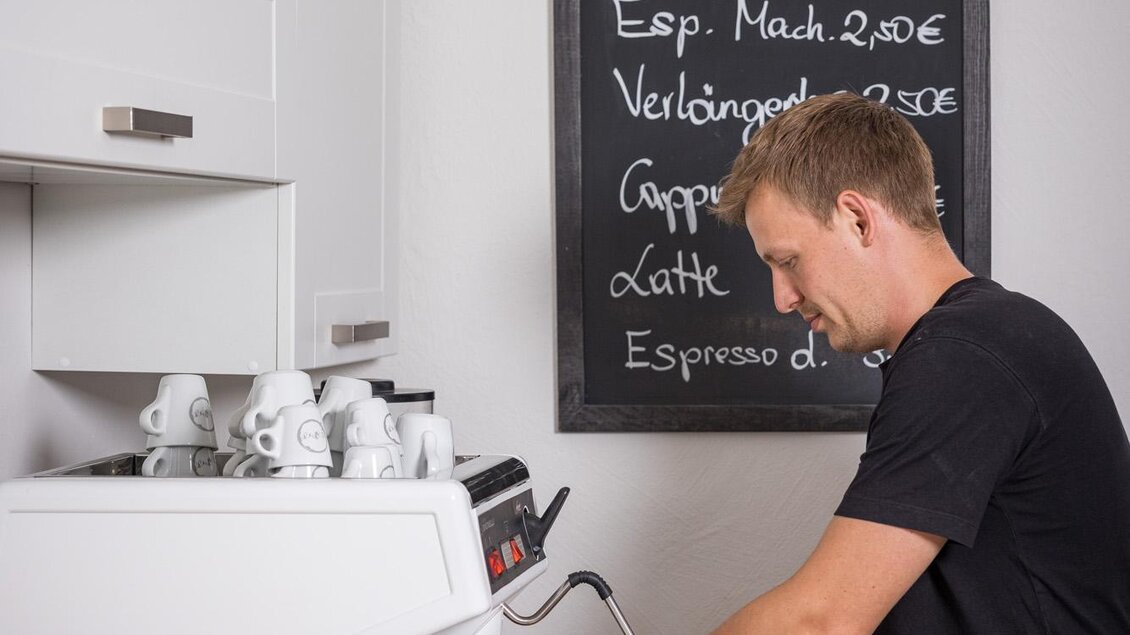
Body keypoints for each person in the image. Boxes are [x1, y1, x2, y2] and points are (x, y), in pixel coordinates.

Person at [708, 92, 1130, 634]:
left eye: (789, 261)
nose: (782, 298)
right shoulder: (980, 340)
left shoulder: (965, 356)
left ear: (858, 220)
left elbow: (823, 620)